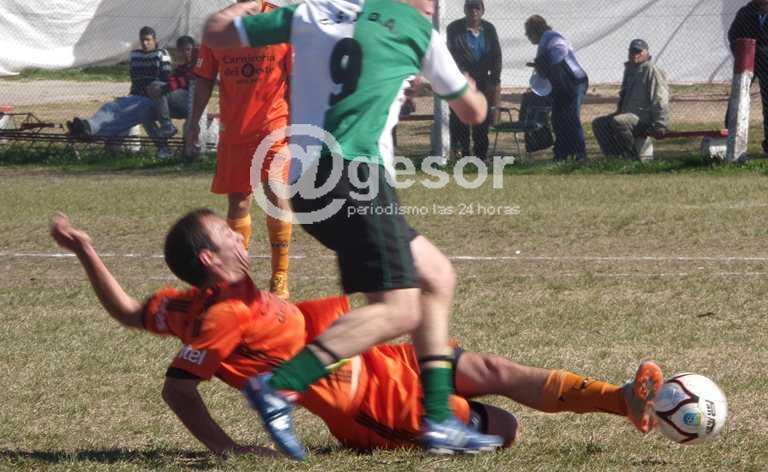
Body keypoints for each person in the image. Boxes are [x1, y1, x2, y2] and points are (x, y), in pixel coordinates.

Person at [201, 0, 497, 458]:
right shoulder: (417, 30)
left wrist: (250, 3)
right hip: (356, 175)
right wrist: (463, 83)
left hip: (305, 181)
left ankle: (437, 419)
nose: (432, 7)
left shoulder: (313, 12)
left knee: (436, 276)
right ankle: (281, 385)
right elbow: (474, 112)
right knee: (398, 310)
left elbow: (216, 32)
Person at [49, 209, 664, 457]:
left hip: (377, 356)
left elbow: (128, 311)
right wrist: (228, 449)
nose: (240, 235)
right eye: (227, 235)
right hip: (367, 404)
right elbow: (178, 389)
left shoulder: (185, 305)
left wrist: (85, 250)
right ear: (211, 259)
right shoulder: (217, 318)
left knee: (493, 369)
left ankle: (622, 400)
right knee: (505, 429)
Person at [184, 0, 293, 299]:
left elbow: (297, 77)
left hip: (274, 126)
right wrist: (193, 122)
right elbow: (204, 78)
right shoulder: (219, 28)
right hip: (235, 130)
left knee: (276, 196)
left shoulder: (280, 23)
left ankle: (280, 277)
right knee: (240, 204)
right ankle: (238, 279)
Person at [66, 26, 173, 158]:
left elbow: (165, 80)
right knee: (113, 110)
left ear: (155, 40)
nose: (145, 43)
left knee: (118, 111)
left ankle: (90, 130)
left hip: (153, 98)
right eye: (142, 40)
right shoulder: (135, 55)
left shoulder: (162, 54)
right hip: (136, 97)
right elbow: (135, 80)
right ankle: (88, 130)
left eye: (148, 40)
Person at [525, 15, 589, 161]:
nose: (528, 37)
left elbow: (561, 50)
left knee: (571, 118)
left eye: (528, 33)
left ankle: (580, 154)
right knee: (558, 118)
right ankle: (561, 154)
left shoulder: (551, 37)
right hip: (563, 84)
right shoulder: (547, 39)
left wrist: (547, 62)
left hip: (574, 82)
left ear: (535, 31)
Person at [592, 39, 669, 159]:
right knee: (599, 123)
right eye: (632, 51)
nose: (635, 54)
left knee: (619, 121)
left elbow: (660, 98)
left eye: (638, 51)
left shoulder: (652, 70)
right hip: (627, 116)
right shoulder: (630, 70)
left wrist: (660, 124)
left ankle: (631, 159)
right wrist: (619, 111)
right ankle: (613, 158)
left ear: (646, 53)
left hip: (644, 119)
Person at [446, 0, 502, 160]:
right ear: (465, 10)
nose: (474, 11)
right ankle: (463, 153)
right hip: (461, 81)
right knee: (460, 118)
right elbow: (452, 55)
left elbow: (496, 55)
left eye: (477, 8)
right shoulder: (454, 29)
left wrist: (495, 79)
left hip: (483, 80)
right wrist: (462, 76)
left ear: (482, 10)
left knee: (481, 118)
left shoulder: (489, 29)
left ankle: (480, 155)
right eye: (470, 8)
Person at [727, 0, 768, 153]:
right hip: (747, 62)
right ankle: (728, 135)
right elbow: (733, 34)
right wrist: (740, 55)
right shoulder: (746, 12)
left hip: (767, 64)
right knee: (737, 98)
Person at [146, 35, 197, 139]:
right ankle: (163, 146)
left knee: (156, 86)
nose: (185, 53)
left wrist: (163, 89)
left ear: (194, 49)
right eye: (182, 51)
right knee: (144, 113)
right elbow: (171, 81)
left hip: (193, 105)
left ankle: (167, 126)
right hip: (178, 106)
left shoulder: (199, 64)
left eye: (188, 49)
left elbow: (185, 80)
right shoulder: (181, 68)